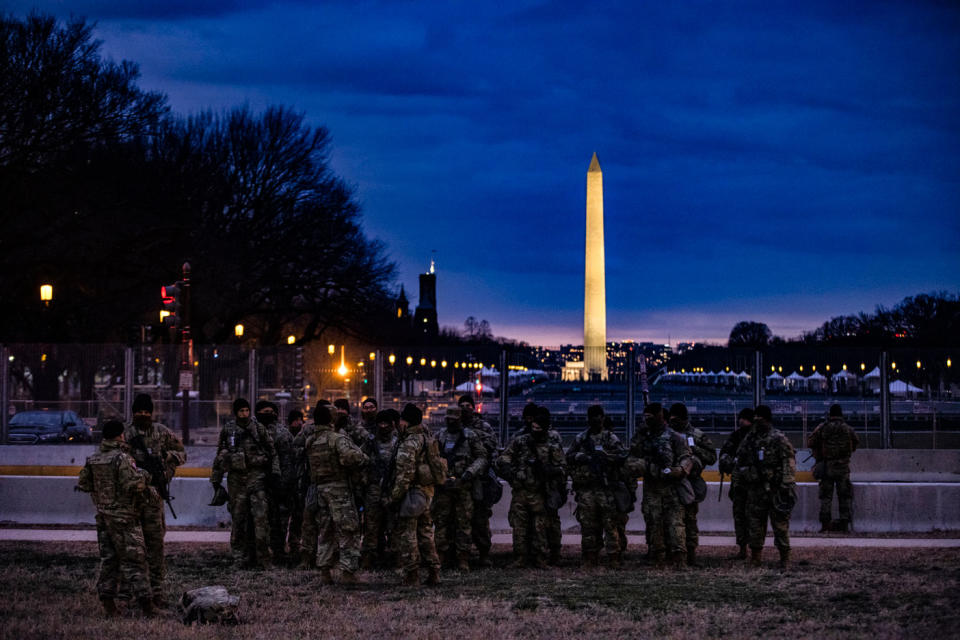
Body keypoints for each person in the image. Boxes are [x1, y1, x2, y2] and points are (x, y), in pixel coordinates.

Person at [77, 420, 154, 617]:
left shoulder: (93, 458)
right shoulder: (122, 458)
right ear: (120, 435)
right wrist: (145, 476)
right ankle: (147, 607)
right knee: (135, 560)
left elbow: (84, 484)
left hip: (103, 517)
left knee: (109, 561)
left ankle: (109, 605)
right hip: (124, 518)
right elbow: (134, 485)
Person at [123, 393, 186, 606]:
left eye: (146, 411)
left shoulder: (161, 432)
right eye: (139, 411)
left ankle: (157, 592)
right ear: (133, 412)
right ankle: (129, 592)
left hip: (154, 498)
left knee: (155, 546)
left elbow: (181, 453)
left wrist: (167, 462)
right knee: (131, 548)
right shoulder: (126, 434)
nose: (143, 415)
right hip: (131, 499)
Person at [300, 404, 368, 584]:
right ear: (331, 419)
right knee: (348, 531)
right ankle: (347, 572)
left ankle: (325, 571)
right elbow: (350, 458)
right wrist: (362, 456)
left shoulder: (311, 440)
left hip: (320, 490)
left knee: (325, 531)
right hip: (339, 491)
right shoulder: (337, 439)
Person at [210, 398, 280, 569]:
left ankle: (263, 558)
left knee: (261, 519)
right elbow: (220, 455)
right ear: (236, 413)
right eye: (241, 411)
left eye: (246, 411)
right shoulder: (229, 430)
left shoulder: (258, 429)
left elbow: (272, 452)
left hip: (257, 479)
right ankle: (239, 558)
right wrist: (216, 480)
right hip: (236, 481)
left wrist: (275, 473)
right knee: (238, 520)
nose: (244, 414)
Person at [496, 407, 566, 569]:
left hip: (540, 492)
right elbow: (504, 458)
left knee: (540, 527)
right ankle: (520, 557)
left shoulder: (552, 445)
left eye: (538, 429)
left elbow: (562, 468)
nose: (535, 432)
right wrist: (512, 473)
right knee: (519, 527)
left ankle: (541, 558)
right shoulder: (521, 441)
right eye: (533, 428)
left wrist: (547, 470)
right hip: (521, 491)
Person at [628, 403, 694, 568]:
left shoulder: (675, 437)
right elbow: (630, 459)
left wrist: (678, 470)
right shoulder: (643, 437)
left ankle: (680, 559)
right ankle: (658, 558)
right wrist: (646, 466)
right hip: (652, 488)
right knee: (654, 523)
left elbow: (686, 457)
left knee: (676, 524)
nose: (648, 420)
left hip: (672, 488)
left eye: (652, 416)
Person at [384, 403, 442, 586]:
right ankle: (434, 571)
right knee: (425, 533)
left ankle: (412, 574)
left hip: (411, 494)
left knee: (407, 535)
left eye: (401, 419)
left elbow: (404, 475)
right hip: (425, 492)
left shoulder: (409, 443)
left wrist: (393, 497)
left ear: (406, 422)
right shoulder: (426, 436)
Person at [735, 405, 797, 570]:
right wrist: (747, 473)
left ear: (767, 420)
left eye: (759, 419)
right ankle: (755, 557)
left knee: (780, 526)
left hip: (776, 489)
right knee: (755, 524)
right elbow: (740, 458)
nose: (756, 422)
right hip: (757, 489)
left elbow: (788, 461)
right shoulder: (751, 438)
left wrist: (786, 484)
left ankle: (785, 557)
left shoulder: (778, 438)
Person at [566, 405, 626, 568]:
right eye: (592, 416)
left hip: (606, 488)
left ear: (603, 417)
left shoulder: (610, 438)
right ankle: (590, 557)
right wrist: (583, 457)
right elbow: (569, 456)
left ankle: (613, 557)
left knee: (610, 524)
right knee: (588, 525)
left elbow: (622, 457)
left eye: (598, 416)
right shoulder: (581, 438)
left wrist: (607, 458)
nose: (596, 420)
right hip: (587, 488)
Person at [432, 405, 488, 571]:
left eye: (454, 420)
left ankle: (463, 557)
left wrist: (469, 473)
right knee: (441, 522)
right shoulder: (440, 436)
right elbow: (432, 457)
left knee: (464, 523)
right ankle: (441, 555)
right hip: (443, 488)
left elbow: (482, 457)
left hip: (464, 487)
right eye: (448, 419)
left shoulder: (470, 436)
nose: (451, 422)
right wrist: (439, 476)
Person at [668, 403, 717, 567]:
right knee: (672, 521)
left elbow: (711, 457)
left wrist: (694, 450)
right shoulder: (668, 434)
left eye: (676, 420)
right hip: (671, 481)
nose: (673, 423)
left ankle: (691, 555)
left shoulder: (696, 435)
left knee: (689, 520)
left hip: (690, 482)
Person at [459, 394, 499, 567]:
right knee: (461, 519)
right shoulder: (454, 427)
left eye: (468, 405)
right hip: (461, 480)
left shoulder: (484, 427)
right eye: (462, 405)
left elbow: (492, 448)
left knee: (481, 518)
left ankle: (484, 553)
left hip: (480, 480)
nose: (465, 408)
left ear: (473, 408)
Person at [256, 400, 297, 564]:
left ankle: (278, 551)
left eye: (270, 411)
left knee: (279, 521)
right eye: (264, 411)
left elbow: (287, 461)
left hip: (278, 483)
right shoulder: (252, 432)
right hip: (257, 483)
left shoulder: (282, 434)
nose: (268, 414)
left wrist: (284, 484)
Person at [808, 404, 859, 533]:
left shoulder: (823, 427)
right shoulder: (847, 429)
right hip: (843, 467)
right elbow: (856, 442)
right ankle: (844, 525)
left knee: (826, 497)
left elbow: (810, 442)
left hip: (827, 467)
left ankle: (825, 525)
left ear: (830, 415)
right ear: (841, 414)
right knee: (844, 496)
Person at [360, 409, 399, 569]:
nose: (383, 426)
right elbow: (360, 459)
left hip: (392, 489)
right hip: (374, 488)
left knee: (394, 526)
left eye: (386, 423)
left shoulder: (397, 442)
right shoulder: (370, 442)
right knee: (371, 526)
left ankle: (397, 558)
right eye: (380, 423)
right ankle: (368, 558)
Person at [719, 408, 755, 559]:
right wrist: (730, 463)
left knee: (753, 517)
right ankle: (742, 548)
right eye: (741, 418)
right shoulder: (736, 436)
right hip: (739, 483)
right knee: (739, 516)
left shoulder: (757, 437)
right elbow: (724, 454)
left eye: (745, 418)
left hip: (754, 484)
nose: (742, 421)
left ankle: (755, 550)